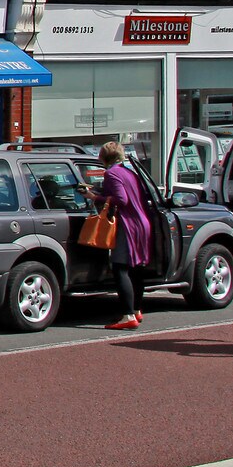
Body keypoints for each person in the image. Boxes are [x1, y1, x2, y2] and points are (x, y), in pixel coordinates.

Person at [89, 141, 153, 330]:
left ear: (103, 156)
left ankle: (128, 315)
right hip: (142, 222)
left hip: (128, 223)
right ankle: (136, 309)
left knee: (120, 268)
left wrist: (95, 198)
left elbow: (121, 199)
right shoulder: (129, 172)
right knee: (136, 268)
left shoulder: (111, 173)